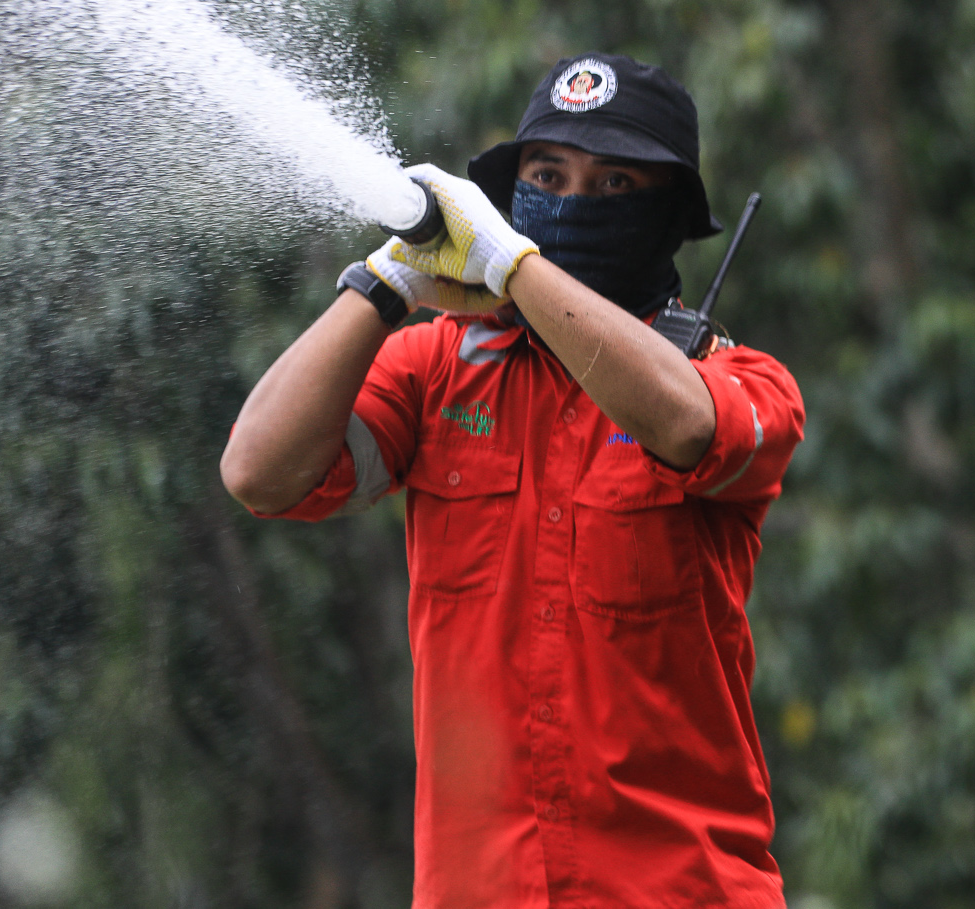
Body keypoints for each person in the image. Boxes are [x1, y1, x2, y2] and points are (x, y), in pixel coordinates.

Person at [221, 53, 805, 909]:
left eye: (614, 183)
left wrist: (515, 267)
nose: (574, 199)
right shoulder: (435, 371)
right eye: (547, 175)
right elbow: (258, 471)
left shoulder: (740, 381)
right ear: (511, 191)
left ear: (670, 216)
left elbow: (684, 424)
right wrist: (386, 282)